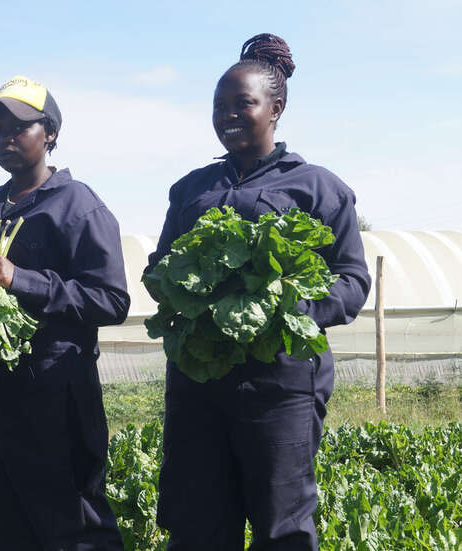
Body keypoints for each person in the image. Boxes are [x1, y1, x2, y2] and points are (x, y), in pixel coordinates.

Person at [147, 34, 371, 550]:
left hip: (280, 382)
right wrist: (184, 289)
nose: (227, 115)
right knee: (196, 520)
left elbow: (353, 280)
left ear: (275, 109)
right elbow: (160, 270)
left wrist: (287, 307)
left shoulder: (317, 187)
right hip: (199, 377)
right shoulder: (191, 190)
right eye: (218, 106)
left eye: (242, 104)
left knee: (282, 524)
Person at [0, 75, 130, 550]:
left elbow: (112, 300)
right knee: (0, 517)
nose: (5, 138)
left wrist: (21, 279)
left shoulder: (78, 206)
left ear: (50, 132)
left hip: (55, 393)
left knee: (71, 523)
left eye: (19, 127)